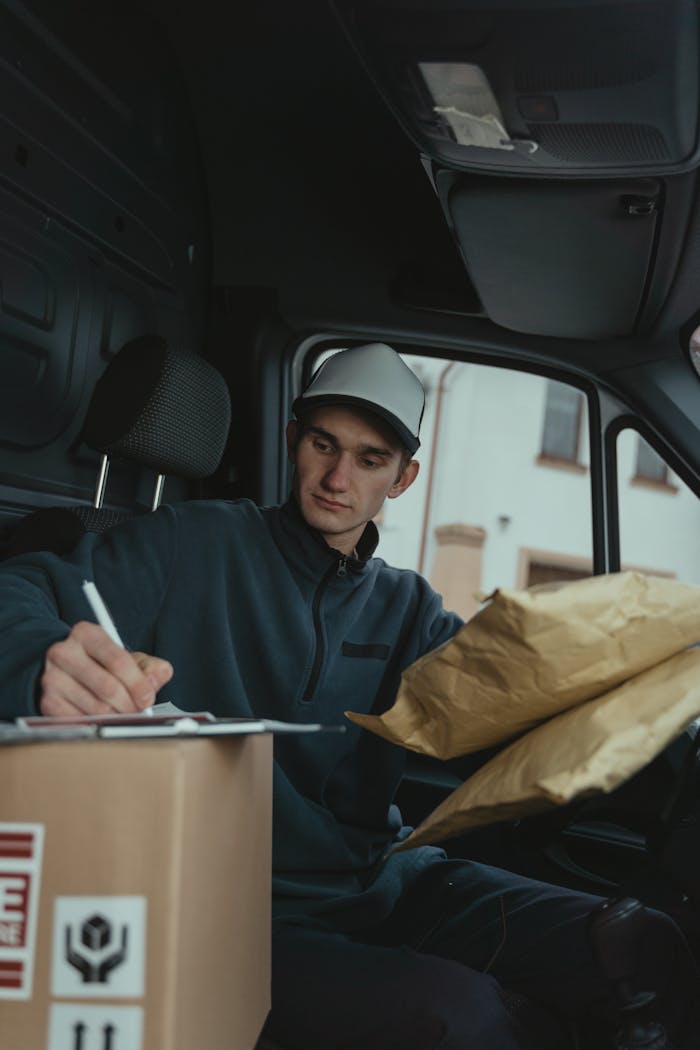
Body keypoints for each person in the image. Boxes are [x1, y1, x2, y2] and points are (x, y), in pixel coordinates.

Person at [0, 343, 696, 1049]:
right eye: (323, 445)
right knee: (464, 1017)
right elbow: (16, 589)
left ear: (402, 478)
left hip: (384, 883)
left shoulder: (409, 608)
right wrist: (40, 663)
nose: (337, 478)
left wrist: (643, 707)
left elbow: (500, 701)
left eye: (370, 460)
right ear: (293, 441)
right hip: (240, 911)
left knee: (640, 944)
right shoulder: (193, 541)